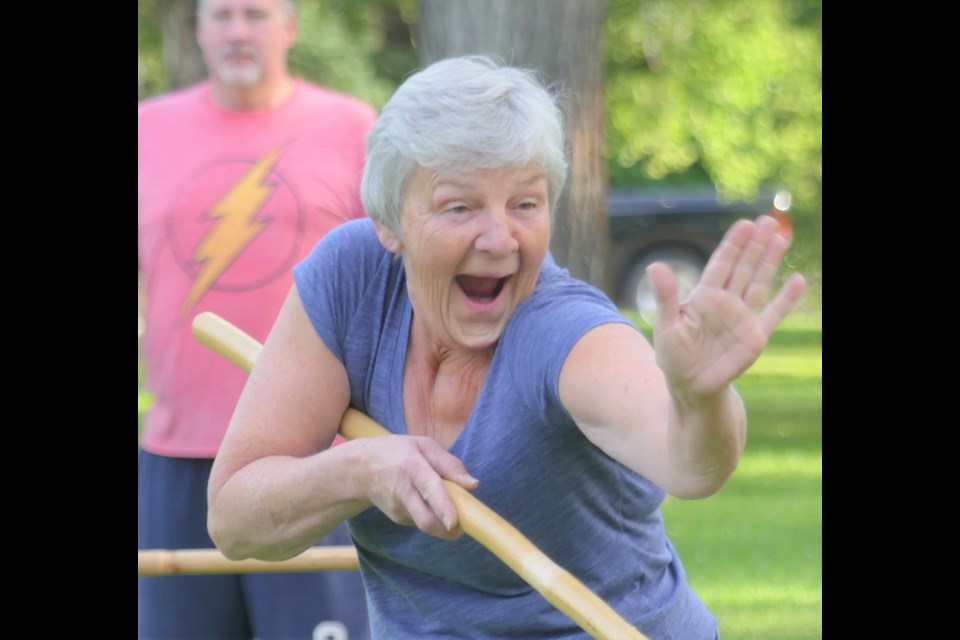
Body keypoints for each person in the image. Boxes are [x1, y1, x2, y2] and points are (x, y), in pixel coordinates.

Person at [206, 55, 807, 639]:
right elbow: (235, 522)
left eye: (526, 203)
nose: (500, 239)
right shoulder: (352, 280)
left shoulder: (561, 330)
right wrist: (359, 469)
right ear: (389, 222)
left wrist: (700, 399)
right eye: (459, 206)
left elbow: (690, 465)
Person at [138, 0, 376, 637]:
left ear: (289, 26)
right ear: (197, 28)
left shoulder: (352, 129)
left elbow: (392, 282)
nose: (238, 31)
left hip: (311, 455)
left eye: (256, 13)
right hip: (176, 457)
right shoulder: (145, 131)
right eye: (221, 15)